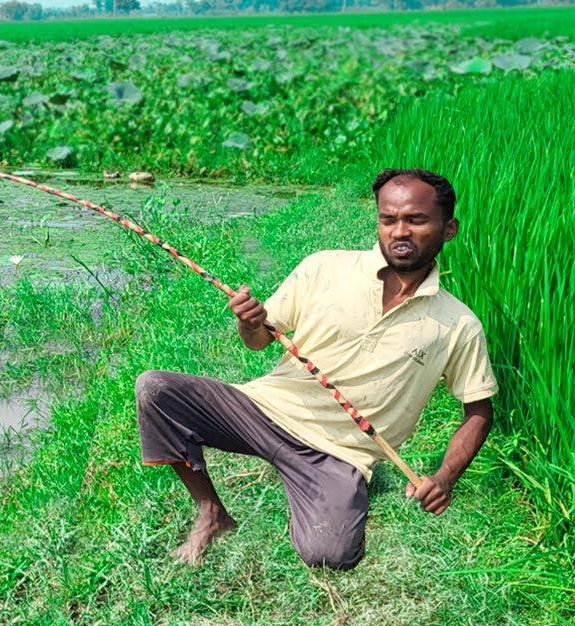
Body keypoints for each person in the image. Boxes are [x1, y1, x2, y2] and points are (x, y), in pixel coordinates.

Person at [135, 168, 497, 570]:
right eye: (388, 219)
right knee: (156, 389)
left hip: (339, 454)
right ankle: (211, 513)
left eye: (416, 220)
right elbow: (258, 340)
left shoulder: (458, 324)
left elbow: (479, 412)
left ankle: (331, 492)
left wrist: (444, 478)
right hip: (263, 410)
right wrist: (249, 322)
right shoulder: (324, 267)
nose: (399, 232)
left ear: (449, 229)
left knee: (330, 555)